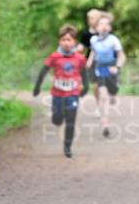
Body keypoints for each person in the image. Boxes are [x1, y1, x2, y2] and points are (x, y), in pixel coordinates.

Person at [33, 24, 88, 158]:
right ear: (59, 41)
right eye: (63, 40)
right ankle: (57, 116)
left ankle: (67, 147)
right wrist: (37, 87)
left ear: (74, 41)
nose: (66, 43)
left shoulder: (79, 58)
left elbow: (84, 72)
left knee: (71, 121)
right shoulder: (54, 57)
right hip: (57, 94)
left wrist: (86, 87)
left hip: (73, 93)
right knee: (57, 120)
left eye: (69, 40)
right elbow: (43, 71)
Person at [86, 12, 126, 137]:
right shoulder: (93, 39)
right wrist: (89, 61)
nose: (103, 26)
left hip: (112, 68)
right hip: (100, 69)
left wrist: (117, 66)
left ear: (110, 28)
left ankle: (113, 93)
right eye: (101, 24)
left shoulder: (113, 40)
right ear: (96, 28)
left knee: (112, 92)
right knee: (103, 95)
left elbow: (122, 56)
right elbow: (93, 52)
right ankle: (105, 122)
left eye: (106, 24)